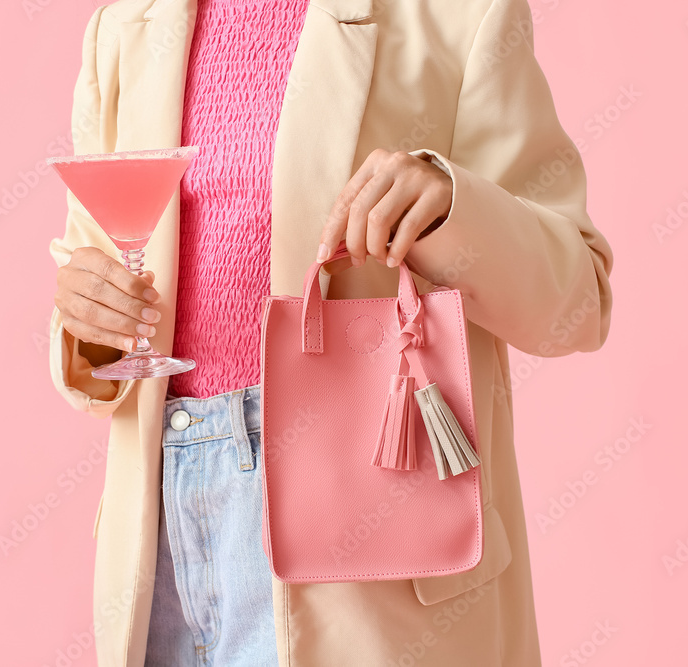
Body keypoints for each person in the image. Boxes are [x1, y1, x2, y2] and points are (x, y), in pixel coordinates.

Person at [49, 0, 614, 665]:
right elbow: (94, 279)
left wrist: (451, 205)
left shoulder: (459, 15)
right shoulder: (122, 31)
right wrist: (88, 325)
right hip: (161, 548)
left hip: (366, 548)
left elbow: (578, 297)